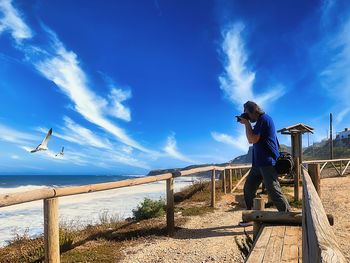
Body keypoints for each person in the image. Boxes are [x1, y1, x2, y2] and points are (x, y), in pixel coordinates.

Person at [237, 101, 291, 216]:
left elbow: (253, 139)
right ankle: (252, 216)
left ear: (253, 111)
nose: (247, 116)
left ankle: (288, 216)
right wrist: (247, 123)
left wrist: (246, 123)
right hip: (257, 164)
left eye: (247, 113)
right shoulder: (258, 123)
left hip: (267, 162)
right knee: (249, 189)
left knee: (274, 191)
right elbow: (250, 139)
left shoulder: (264, 119)